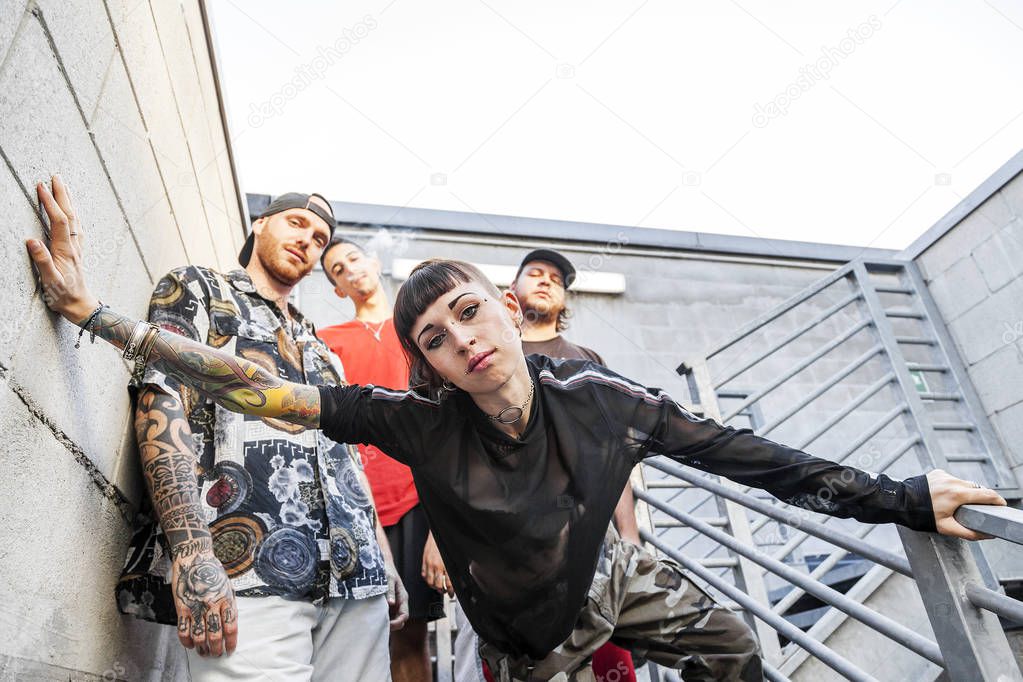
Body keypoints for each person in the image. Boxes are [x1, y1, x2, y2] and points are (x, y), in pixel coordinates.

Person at [28, 176, 1006, 681]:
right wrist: (98, 317)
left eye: (468, 313)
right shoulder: (417, 423)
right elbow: (256, 385)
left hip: (616, 572)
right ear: (429, 360)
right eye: (435, 337)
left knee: (737, 645)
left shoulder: (606, 399)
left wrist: (905, 497)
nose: (462, 340)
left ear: (501, 307)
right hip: (527, 636)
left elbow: (759, 461)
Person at [104, 185, 407, 681]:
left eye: (320, 237)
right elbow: (161, 400)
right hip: (246, 574)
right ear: (259, 224)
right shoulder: (198, 289)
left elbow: (347, 457)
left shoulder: (322, 346)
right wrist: (192, 551)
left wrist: (386, 560)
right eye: (295, 223)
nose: (308, 240)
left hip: (358, 582)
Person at [444, 249, 641, 681]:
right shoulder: (478, 358)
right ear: (509, 294)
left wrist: (630, 536)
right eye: (534, 273)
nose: (547, 280)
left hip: (587, 537)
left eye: (557, 278)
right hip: (501, 545)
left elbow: (614, 457)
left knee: (604, 657)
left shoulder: (585, 360)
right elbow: (448, 459)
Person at [317, 236, 444, 682]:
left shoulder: (420, 330)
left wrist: (441, 531)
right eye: (337, 270)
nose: (350, 270)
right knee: (370, 632)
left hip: (418, 498)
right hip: (360, 502)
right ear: (336, 289)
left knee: (411, 634)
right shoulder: (326, 341)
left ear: (372, 261)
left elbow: (446, 422)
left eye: (353, 259)